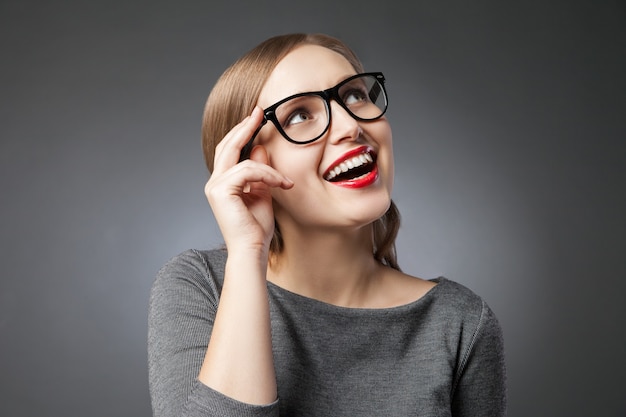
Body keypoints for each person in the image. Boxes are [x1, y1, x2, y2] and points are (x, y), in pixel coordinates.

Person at [148, 33, 506, 417]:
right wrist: (249, 254)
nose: (350, 125)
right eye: (299, 115)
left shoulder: (461, 322)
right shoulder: (200, 287)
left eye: (354, 95)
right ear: (251, 165)